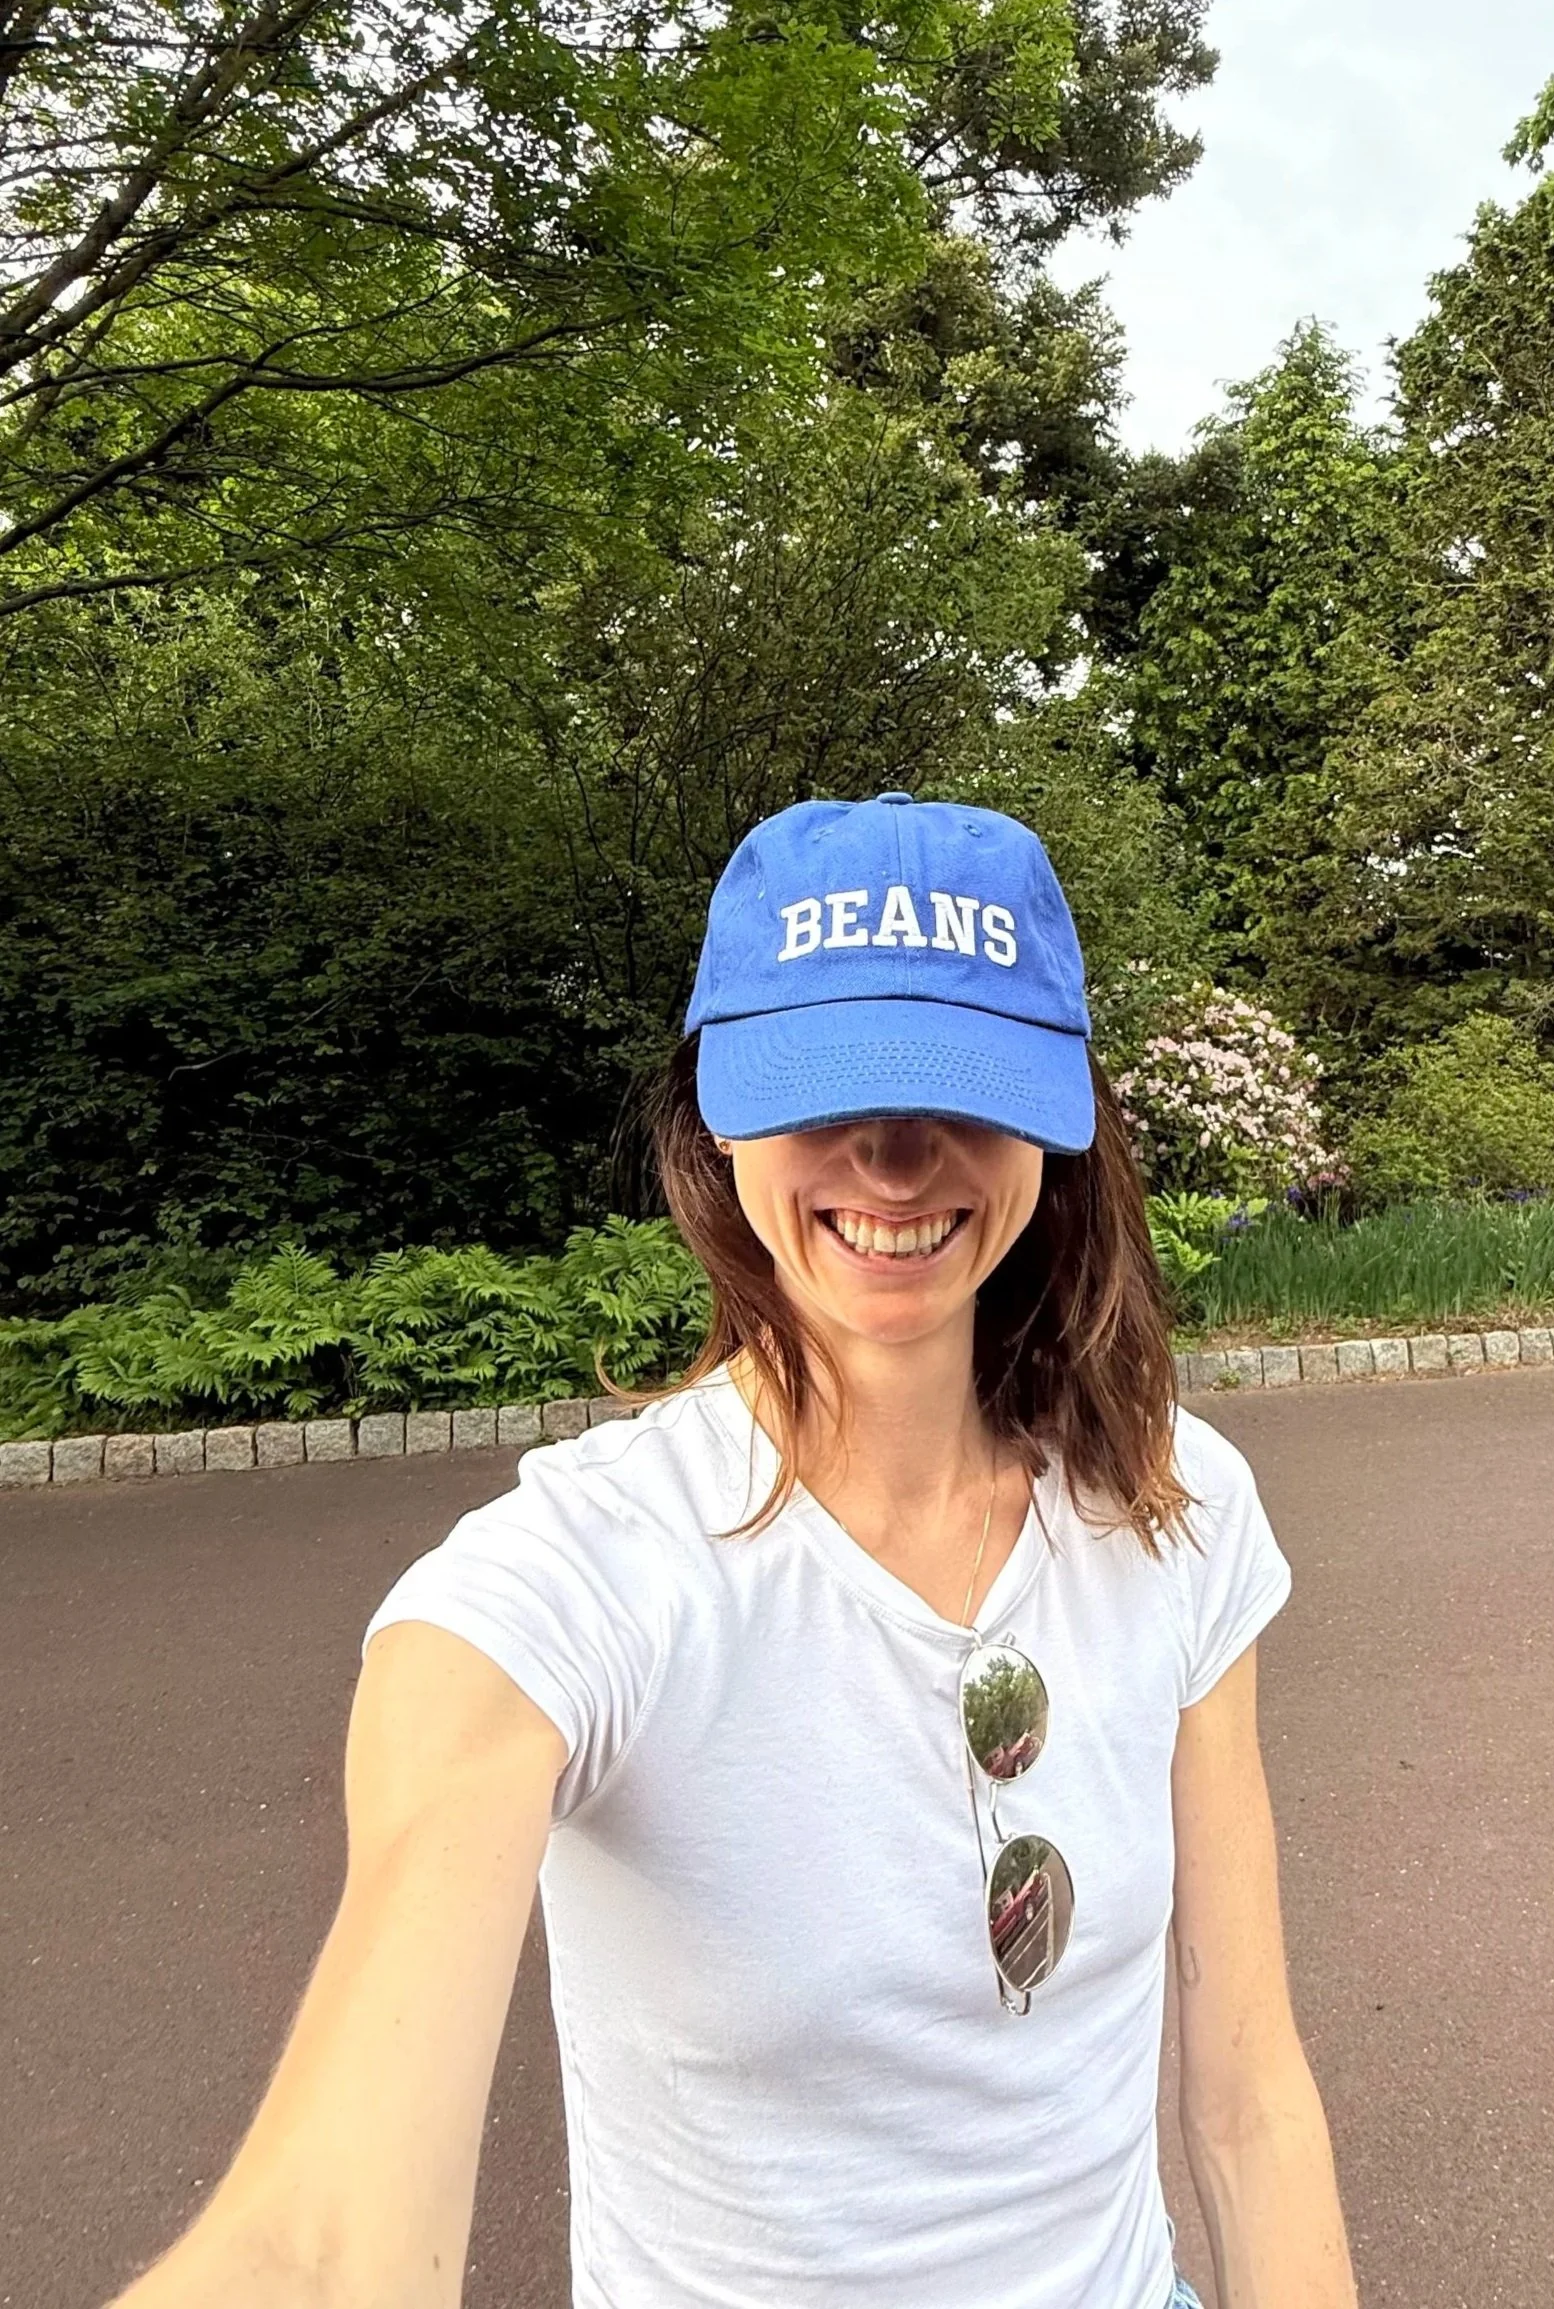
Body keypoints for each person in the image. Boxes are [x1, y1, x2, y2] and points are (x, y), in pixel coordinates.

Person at [108, 793, 1358, 2309]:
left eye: (958, 1090)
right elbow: (320, 2245)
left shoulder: (1175, 1507)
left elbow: (1248, 2098)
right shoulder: (581, 1572)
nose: (894, 1162)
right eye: (830, 1089)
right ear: (716, 1116)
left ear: (1058, 1122)